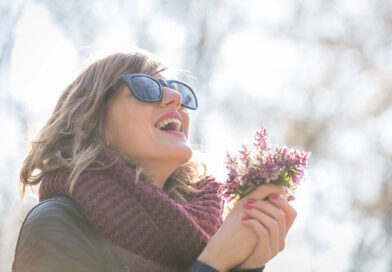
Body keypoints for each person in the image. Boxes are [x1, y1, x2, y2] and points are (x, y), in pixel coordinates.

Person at [12, 49, 297, 272]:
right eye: (146, 88)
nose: (175, 98)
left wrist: (246, 265)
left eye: (179, 92)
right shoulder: (57, 223)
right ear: (94, 123)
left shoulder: (203, 231)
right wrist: (213, 262)